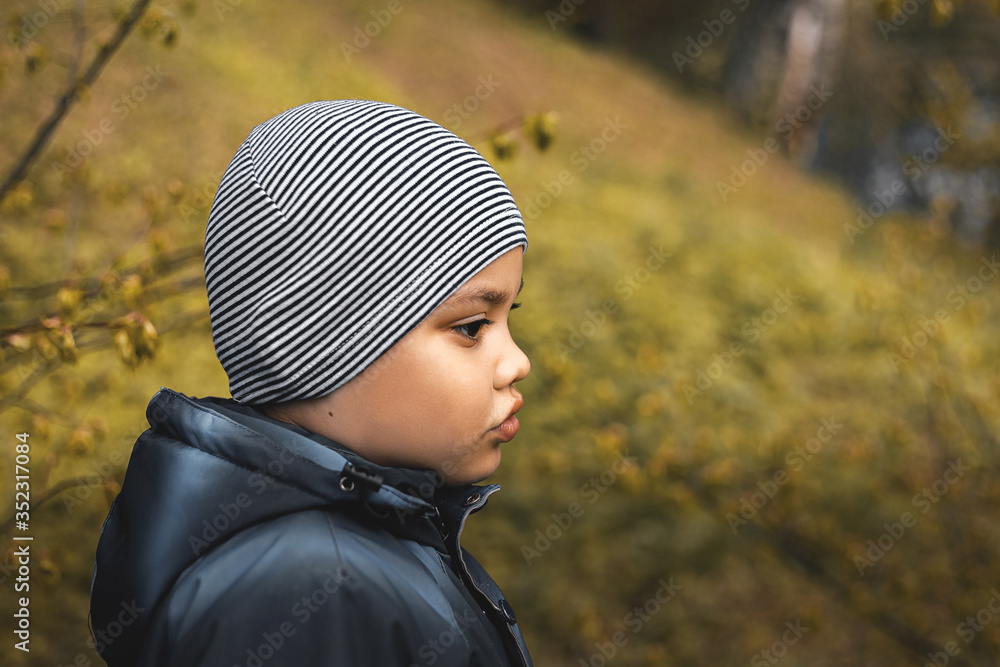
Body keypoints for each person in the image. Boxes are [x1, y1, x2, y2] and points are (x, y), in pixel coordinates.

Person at [89, 99, 534, 667]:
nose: (517, 362)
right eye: (472, 327)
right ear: (314, 342)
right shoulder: (317, 589)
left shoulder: (370, 541)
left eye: (508, 316)